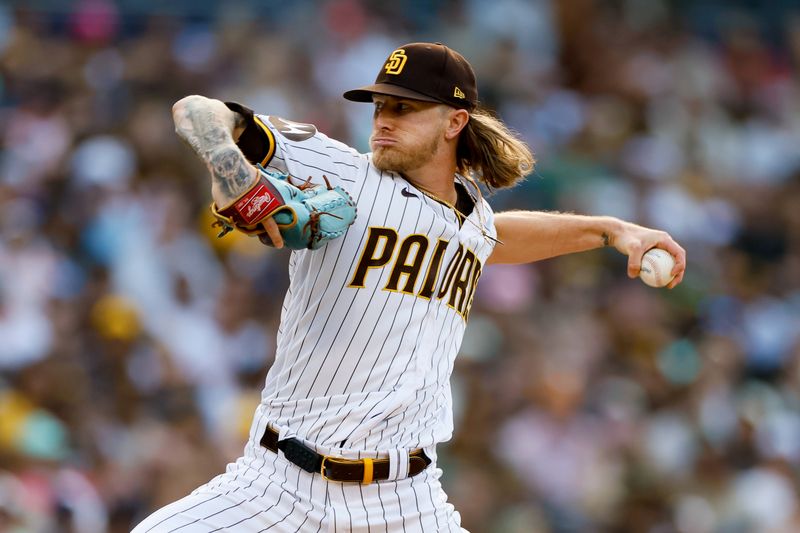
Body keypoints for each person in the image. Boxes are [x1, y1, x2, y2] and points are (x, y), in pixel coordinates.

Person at [134, 42, 686, 532]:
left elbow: (495, 238)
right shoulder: (346, 173)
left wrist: (611, 230)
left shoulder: (471, 222)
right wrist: (233, 167)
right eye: (379, 106)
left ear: (454, 122)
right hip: (280, 487)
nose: (383, 120)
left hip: (406, 502)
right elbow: (198, 112)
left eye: (404, 107)